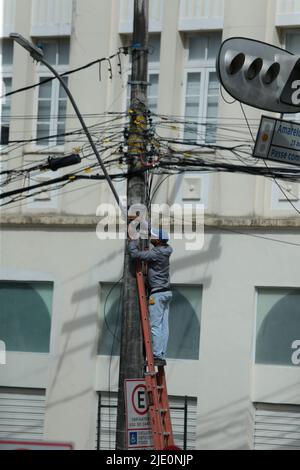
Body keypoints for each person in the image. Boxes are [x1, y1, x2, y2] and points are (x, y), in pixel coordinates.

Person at [128, 227, 173, 367]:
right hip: (166, 292)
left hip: (157, 295)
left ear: (158, 240)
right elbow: (151, 233)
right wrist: (144, 225)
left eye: (152, 237)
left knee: (154, 325)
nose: (150, 238)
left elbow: (135, 255)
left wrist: (133, 240)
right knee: (164, 326)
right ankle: (162, 353)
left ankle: (157, 355)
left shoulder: (156, 253)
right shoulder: (166, 250)